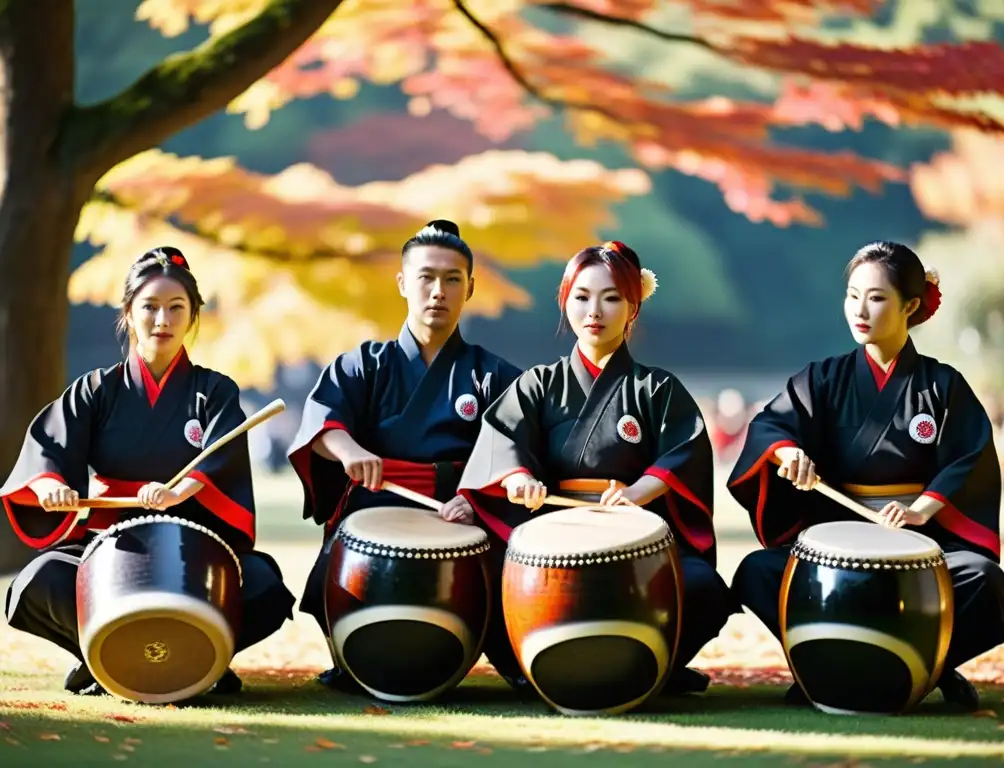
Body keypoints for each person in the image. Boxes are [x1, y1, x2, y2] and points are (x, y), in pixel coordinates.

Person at [727, 241, 1004, 711]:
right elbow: (770, 426)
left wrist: (920, 510)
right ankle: (822, 663)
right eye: (852, 294)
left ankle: (933, 664)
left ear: (911, 305)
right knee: (759, 572)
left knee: (983, 580)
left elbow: (968, 456)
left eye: (877, 297)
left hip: (921, 545)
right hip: (837, 542)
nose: (860, 309)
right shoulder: (823, 379)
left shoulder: (942, 386)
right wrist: (789, 453)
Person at [2, 246, 295, 697]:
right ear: (128, 313)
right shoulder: (96, 390)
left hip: (191, 538)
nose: (163, 319)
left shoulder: (214, 390)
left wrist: (180, 492)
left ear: (193, 315)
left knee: (263, 586)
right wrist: (53, 487)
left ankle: (206, 659)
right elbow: (51, 449)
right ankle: (100, 658)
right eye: (150, 307)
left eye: (176, 308)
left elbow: (222, 456)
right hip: (111, 537)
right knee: (36, 582)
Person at [457, 240, 736, 696]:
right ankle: (532, 667)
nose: (595, 310)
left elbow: (684, 451)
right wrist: (519, 478)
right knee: (482, 578)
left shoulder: (656, 388)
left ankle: (652, 665)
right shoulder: (538, 383)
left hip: (634, 532)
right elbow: (503, 439)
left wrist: (640, 492)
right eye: (582, 296)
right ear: (566, 300)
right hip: (553, 532)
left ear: (632, 308)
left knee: (703, 586)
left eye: (611, 298)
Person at [286, 220, 522, 690]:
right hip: (378, 499)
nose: (439, 291)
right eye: (426, 277)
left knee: (508, 574)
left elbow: (518, 447)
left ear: (470, 288)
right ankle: (356, 655)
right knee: (336, 572)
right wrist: (350, 451)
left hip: (460, 507)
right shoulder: (363, 364)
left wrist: (478, 497)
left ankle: (510, 655)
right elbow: (322, 423)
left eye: (453, 279)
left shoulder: (493, 375)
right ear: (402, 284)